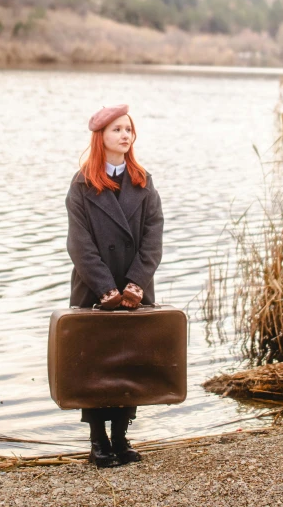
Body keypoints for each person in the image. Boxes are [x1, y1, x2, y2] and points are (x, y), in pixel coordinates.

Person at [65, 103, 164, 468]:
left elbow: (154, 235)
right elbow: (79, 244)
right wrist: (106, 289)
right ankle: (97, 441)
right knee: (97, 362)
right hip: (96, 289)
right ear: (101, 137)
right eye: (117, 130)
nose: (126, 135)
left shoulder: (142, 179)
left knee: (130, 360)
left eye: (129, 129)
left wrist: (136, 283)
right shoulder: (81, 185)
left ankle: (121, 436)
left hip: (135, 287)